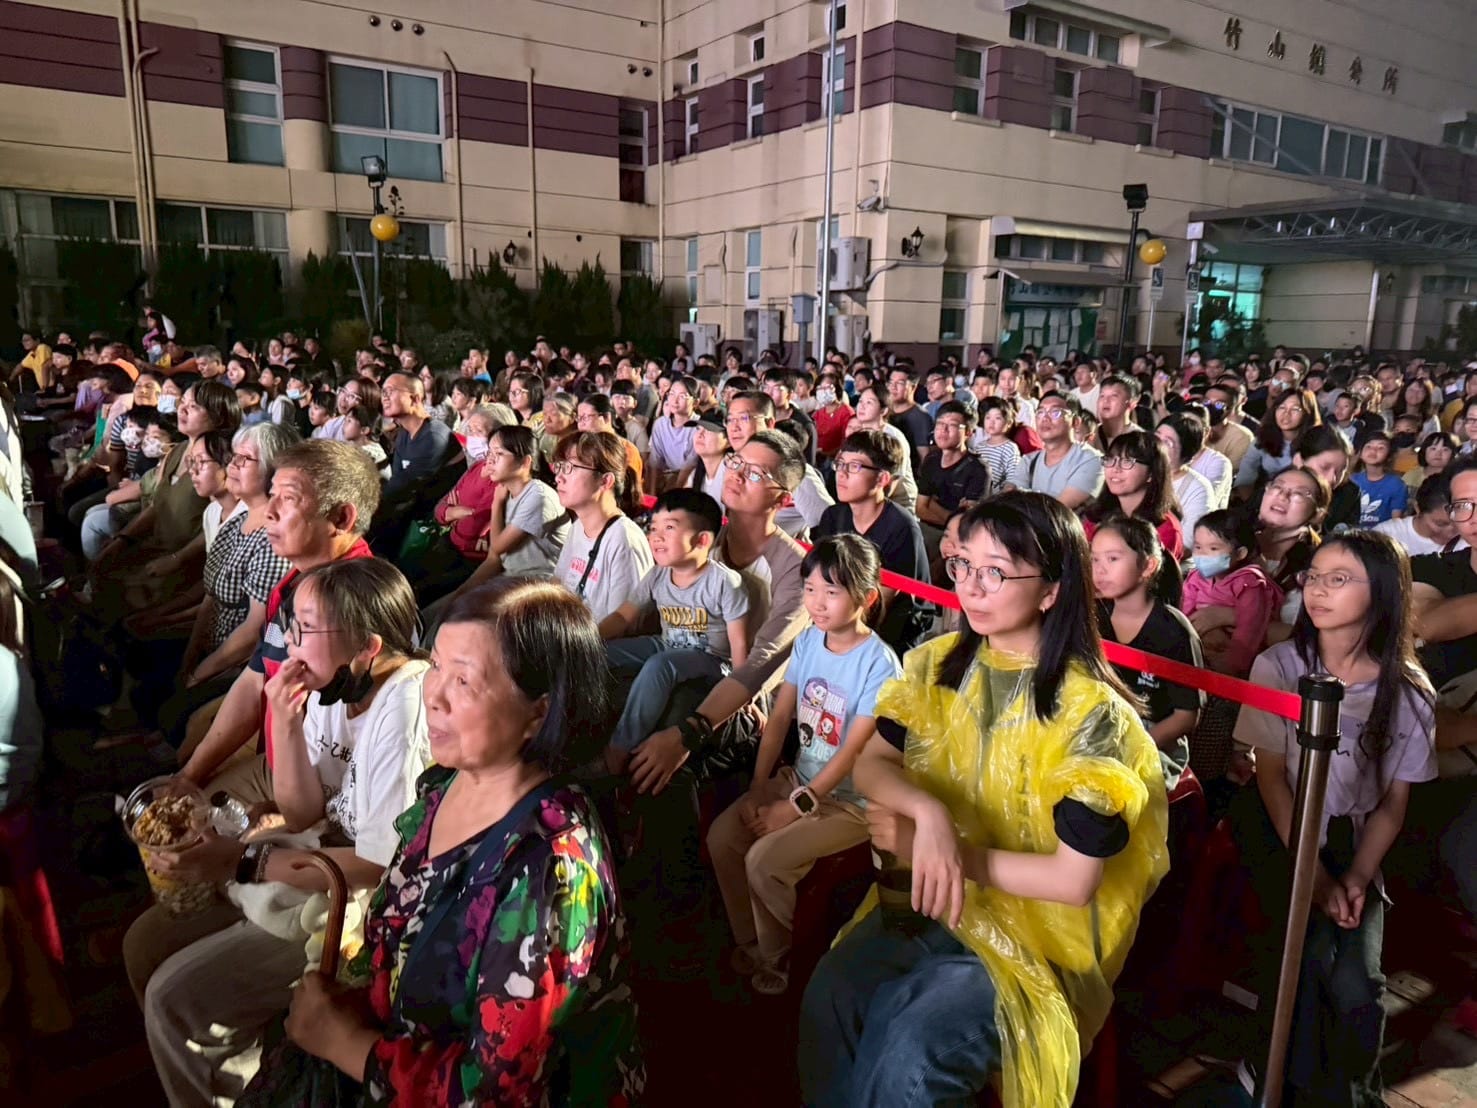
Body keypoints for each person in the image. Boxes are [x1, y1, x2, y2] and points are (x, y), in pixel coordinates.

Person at [799, 492, 1168, 1108]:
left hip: (1040, 940)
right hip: (940, 902)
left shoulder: (1091, 714)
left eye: (994, 571)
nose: (970, 586)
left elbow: (1073, 881)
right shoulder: (938, 665)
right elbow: (874, 763)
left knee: (910, 1040)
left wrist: (950, 856)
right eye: (963, 564)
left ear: (1051, 590)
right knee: (832, 993)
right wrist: (930, 816)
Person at [259, 578, 642, 1103]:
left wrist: (346, 1043)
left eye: (463, 680)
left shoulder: (549, 870)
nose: (433, 695)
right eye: (435, 665)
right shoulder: (443, 784)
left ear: (539, 711)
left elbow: (494, 1093)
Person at [125, 558, 434, 1106]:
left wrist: (241, 861)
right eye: (290, 627)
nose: (290, 645)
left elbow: (377, 865)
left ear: (367, 647)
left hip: (359, 902)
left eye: (305, 630)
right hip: (314, 858)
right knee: (144, 946)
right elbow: (301, 812)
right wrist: (286, 721)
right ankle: (248, 1067)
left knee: (173, 1000)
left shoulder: (404, 708)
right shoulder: (334, 685)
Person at [1233, 531, 1437, 1105]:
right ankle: (1276, 1075)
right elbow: (1271, 777)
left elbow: (1392, 802)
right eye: (1314, 576)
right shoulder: (1279, 666)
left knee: (1358, 984)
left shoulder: (1408, 692)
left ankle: (1355, 1094)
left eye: (1339, 579)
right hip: (1280, 827)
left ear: (1383, 592)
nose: (1317, 590)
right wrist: (1316, 878)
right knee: (1305, 956)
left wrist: (1355, 878)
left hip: (1351, 840)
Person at [709, 535, 902, 995]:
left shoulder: (880, 665)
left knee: (763, 861)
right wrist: (759, 786)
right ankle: (752, 940)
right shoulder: (810, 640)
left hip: (851, 801)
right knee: (723, 837)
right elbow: (779, 719)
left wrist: (792, 808)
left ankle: (779, 957)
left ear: (866, 598)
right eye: (810, 588)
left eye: (831, 592)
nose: (816, 602)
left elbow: (852, 751)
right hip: (801, 777)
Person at [177, 441, 383, 798]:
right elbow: (257, 676)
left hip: (315, 784)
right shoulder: (296, 581)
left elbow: (348, 759)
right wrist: (189, 774)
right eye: (271, 495)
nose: (269, 512)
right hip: (277, 757)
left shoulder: (356, 606)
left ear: (341, 518)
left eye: (288, 499)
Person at [599, 488, 749, 771]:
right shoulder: (658, 574)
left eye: (669, 528)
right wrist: (587, 640)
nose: (656, 536)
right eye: (653, 527)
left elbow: (739, 645)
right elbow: (622, 616)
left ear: (702, 540)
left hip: (712, 659)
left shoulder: (724, 583)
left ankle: (619, 749)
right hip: (667, 644)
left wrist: (743, 695)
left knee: (660, 665)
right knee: (600, 652)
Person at [1093, 516, 1202, 788]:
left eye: (1112, 559)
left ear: (1148, 566)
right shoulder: (1093, 614)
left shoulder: (1174, 631)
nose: (1099, 570)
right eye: (1094, 559)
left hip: (1155, 739)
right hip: (1098, 725)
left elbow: (1185, 716)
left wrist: (1133, 748)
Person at [814, 430, 931, 655]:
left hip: (894, 623)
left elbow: (882, 601)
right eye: (840, 464)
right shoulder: (833, 516)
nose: (842, 474)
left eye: (854, 466)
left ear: (882, 479)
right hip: (842, 609)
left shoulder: (901, 526)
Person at [552, 430, 653, 624]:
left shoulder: (624, 539)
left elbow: (623, 623)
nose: (559, 477)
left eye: (570, 468)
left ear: (605, 481)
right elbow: (557, 585)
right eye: (559, 467)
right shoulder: (578, 526)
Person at [1082, 430, 1184, 560]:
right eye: (1111, 459)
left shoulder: (1165, 529)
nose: (1115, 468)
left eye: (1127, 461)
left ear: (1151, 473)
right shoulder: (1097, 517)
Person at [1004, 392, 1104, 511]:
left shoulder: (1091, 460)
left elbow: (1059, 510)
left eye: (1055, 412)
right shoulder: (1029, 461)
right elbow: (1010, 500)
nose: (1045, 418)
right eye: (1040, 412)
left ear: (1075, 422)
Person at [914, 401, 988, 537]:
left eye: (952, 425)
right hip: (928, 531)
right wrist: (952, 515)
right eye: (939, 423)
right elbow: (920, 509)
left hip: (961, 537)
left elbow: (966, 523)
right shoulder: (931, 459)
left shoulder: (978, 469)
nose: (943, 430)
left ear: (968, 433)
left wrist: (933, 504)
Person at [1237, 388, 1320, 491]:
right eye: (1282, 407)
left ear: (1308, 412)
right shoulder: (1263, 438)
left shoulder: (1317, 444)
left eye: (1295, 409)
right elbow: (1246, 473)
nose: (1286, 413)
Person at [1376, 474, 1464, 558]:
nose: (1451, 531)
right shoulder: (1385, 535)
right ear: (1418, 508)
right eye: (1440, 524)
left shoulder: (1467, 542)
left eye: (1460, 522)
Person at [1352, 430, 1409, 526]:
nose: (1373, 451)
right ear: (1360, 453)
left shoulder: (1397, 485)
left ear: (1389, 455)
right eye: (1368, 446)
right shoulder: (1352, 480)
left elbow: (1396, 522)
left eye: (1380, 448)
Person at [885, 365, 933, 467]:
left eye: (900, 383)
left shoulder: (920, 417)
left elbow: (924, 456)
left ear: (913, 387)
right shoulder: (883, 411)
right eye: (891, 382)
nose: (893, 387)